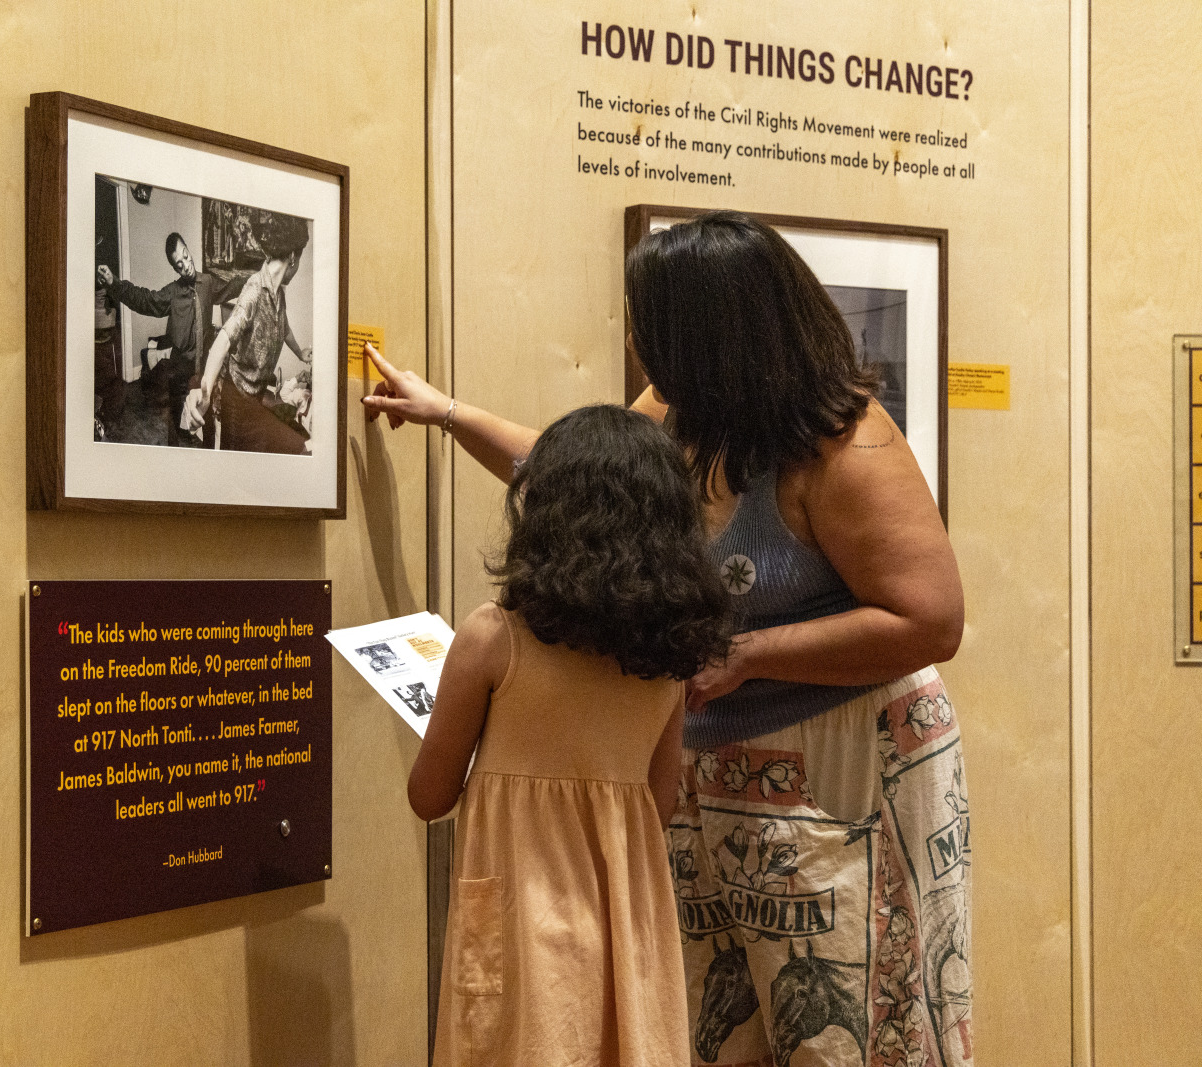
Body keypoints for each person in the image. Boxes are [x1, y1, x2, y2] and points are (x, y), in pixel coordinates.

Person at [366, 210, 972, 1067]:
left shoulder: (848, 447)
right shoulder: (685, 407)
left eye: (650, 324)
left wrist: (750, 655)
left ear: (709, 337)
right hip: (717, 760)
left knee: (848, 1036)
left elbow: (931, 619)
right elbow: (588, 475)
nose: (641, 345)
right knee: (722, 1032)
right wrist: (448, 412)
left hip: (844, 774)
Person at [411, 404, 730, 1067]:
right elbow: (659, 802)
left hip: (517, 935)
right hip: (623, 930)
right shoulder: (667, 665)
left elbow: (429, 793)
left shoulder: (492, 639)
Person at [188, 213, 313, 454]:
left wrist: (300, 353)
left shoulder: (279, 293)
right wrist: (204, 394)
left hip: (256, 395)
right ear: (293, 258)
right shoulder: (254, 290)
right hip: (236, 400)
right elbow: (223, 340)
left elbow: (282, 324)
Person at [98, 233, 201, 444]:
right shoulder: (172, 293)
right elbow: (145, 299)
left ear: (189, 251)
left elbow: (235, 285)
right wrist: (114, 283)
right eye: (179, 264)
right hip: (180, 369)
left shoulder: (208, 282)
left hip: (202, 368)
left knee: (200, 425)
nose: (186, 266)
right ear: (175, 269)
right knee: (178, 427)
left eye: (185, 257)